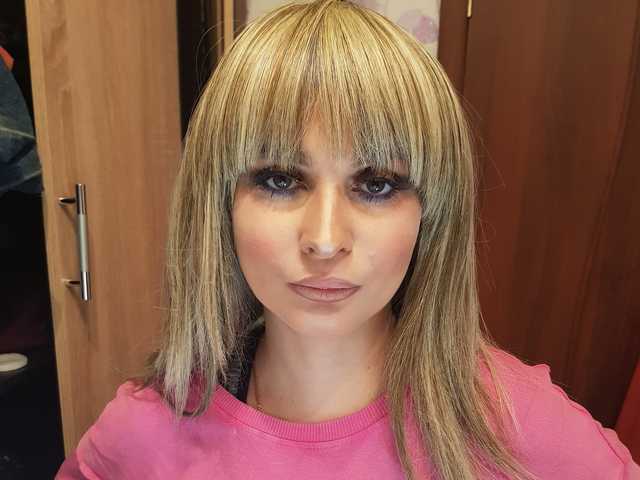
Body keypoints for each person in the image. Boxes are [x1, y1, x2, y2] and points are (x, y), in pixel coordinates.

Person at [55, 1, 640, 478]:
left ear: (431, 213)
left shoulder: (518, 426)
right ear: (219, 204)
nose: (325, 240)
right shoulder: (144, 435)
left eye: (377, 184)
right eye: (279, 180)